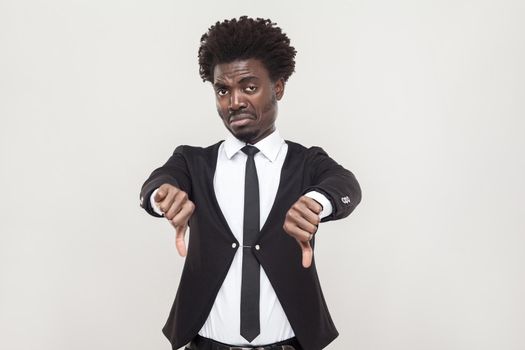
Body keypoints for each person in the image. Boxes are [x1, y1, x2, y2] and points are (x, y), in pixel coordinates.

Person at [140, 16, 361, 350]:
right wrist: (162, 196)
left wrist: (317, 202)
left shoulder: (306, 163)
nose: (235, 102)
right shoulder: (194, 162)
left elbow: (346, 184)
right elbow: (158, 182)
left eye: (249, 87)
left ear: (278, 87)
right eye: (223, 90)